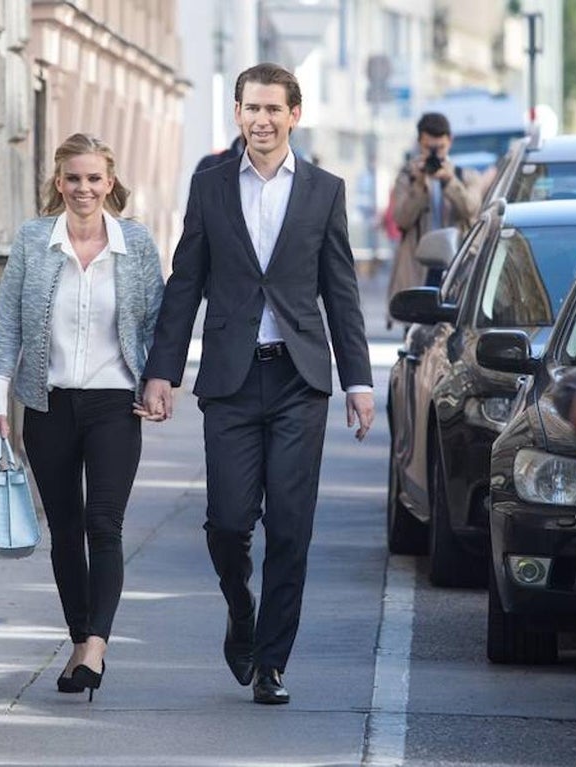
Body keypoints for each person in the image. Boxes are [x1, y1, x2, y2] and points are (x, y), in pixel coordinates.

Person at [138, 63, 375, 705]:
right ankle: (241, 612)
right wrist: (161, 371)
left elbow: (341, 291)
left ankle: (271, 662)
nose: (262, 120)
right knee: (228, 522)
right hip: (232, 381)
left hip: (300, 378)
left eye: (273, 109)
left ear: (294, 114)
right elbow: (185, 280)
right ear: (237, 114)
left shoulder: (325, 190)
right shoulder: (211, 186)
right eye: (251, 108)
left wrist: (358, 381)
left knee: (292, 529)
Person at [0, 132, 165, 701]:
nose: (83, 189)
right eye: (73, 178)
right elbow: (9, 320)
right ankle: (78, 638)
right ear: (57, 183)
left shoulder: (135, 244)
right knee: (65, 529)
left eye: (94, 179)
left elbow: (159, 321)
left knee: (102, 524)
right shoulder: (34, 241)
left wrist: (161, 382)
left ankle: (95, 645)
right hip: (49, 402)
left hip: (116, 401)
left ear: (109, 183)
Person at [386, 111, 482, 320]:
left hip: (455, 266)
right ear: (420, 143)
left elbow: (471, 208)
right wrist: (420, 186)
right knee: (417, 333)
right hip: (419, 267)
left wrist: (450, 182)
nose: (434, 155)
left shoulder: (466, 176)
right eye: (429, 148)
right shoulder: (407, 177)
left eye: (440, 148)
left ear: (450, 141)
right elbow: (401, 219)